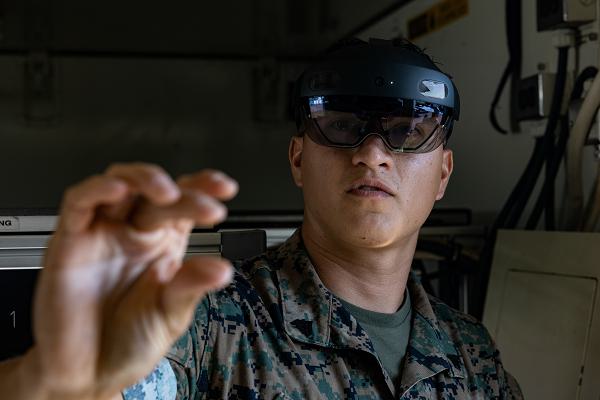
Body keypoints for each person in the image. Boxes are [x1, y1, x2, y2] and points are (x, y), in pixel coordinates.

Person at [0, 38, 522, 399]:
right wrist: (56, 378)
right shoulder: (210, 325)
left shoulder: (470, 355)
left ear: (444, 175)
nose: (372, 154)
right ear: (298, 158)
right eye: (341, 126)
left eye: (407, 132)